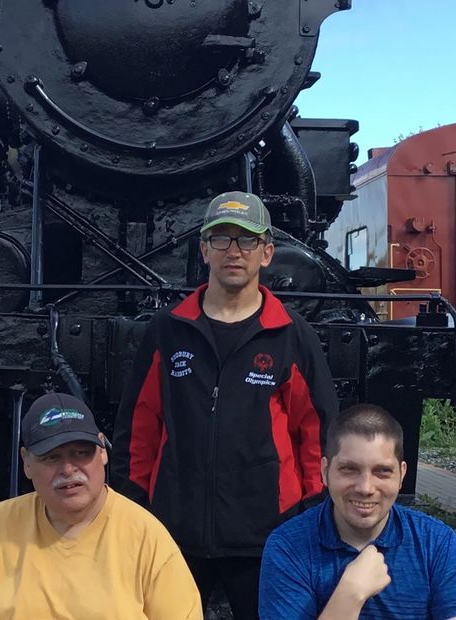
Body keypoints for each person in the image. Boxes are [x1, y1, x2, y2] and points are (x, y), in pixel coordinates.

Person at [111, 191, 340, 619]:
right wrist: (135, 509)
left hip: (267, 535)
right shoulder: (167, 331)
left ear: (267, 252)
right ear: (204, 250)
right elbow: (139, 427)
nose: (233, 251)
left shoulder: (291, 335)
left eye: (246, 240)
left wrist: (311, 514)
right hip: (173, 533)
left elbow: (317, 434)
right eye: (221, 239)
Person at [0, 392, 201, 620]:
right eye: (51, 457)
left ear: (103, 451)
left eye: (81, 453)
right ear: (26, 462)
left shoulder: (147, 538)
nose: (68, 469)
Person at [259, 404, 456, 620]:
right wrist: (350, 594)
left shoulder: (436, 543)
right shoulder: (289, 547)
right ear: (325, 471)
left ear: (401, 475)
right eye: (349, 469)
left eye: (382, 471)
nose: (365, 488)